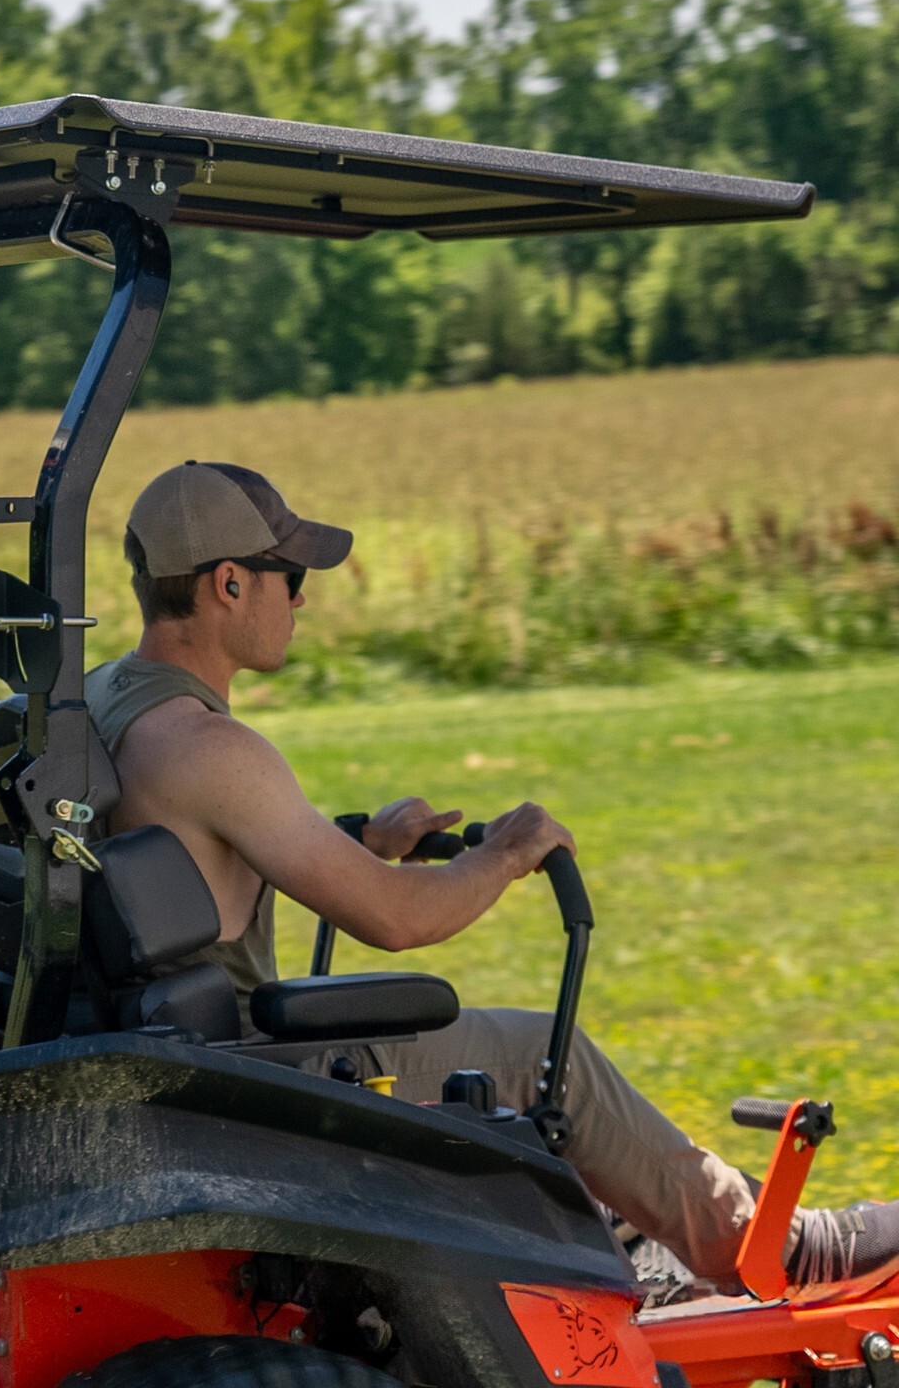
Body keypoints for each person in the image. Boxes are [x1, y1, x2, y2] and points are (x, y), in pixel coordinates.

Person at [85, 459, 898, 1292]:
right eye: (288, 575)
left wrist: (358, 837)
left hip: (174, 1058)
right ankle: (776, 1250)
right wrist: (502, 855)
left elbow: (204, 849)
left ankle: (611, 1228)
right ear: (227, 583)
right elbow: (398, 920)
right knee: (545, 1058)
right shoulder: (213, 748)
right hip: (255, 1081)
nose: (301, 597)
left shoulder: (108, 699)